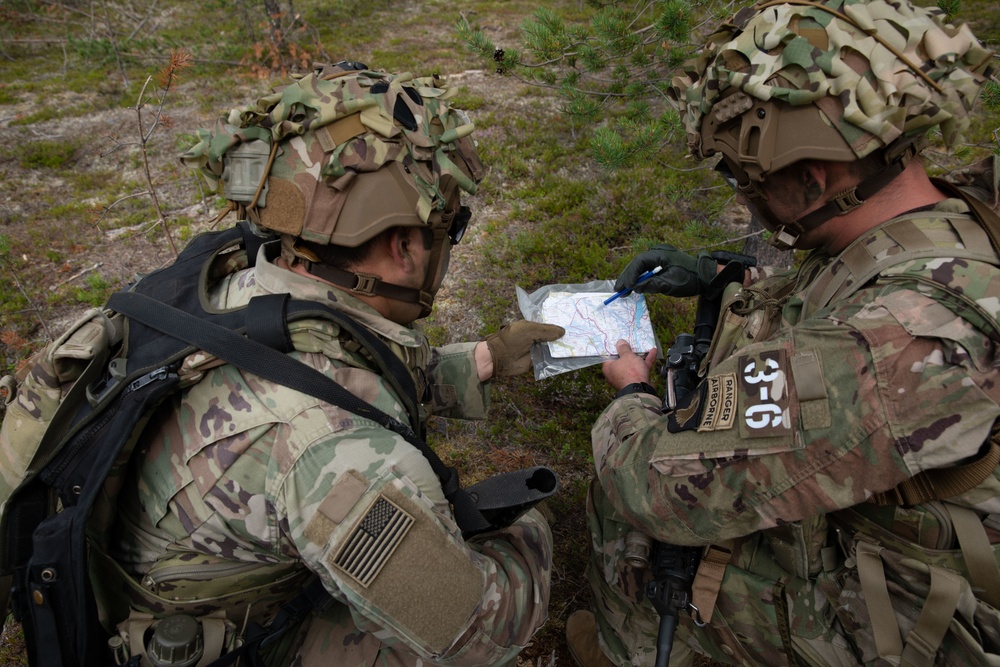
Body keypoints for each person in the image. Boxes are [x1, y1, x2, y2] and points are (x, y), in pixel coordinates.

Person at [565, 1, 1000, 666]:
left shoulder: (894, 344)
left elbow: (660, 486)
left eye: (749, 181)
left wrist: (631, 398)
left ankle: (625, 642)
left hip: (914, 614)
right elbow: (841, 280)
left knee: (624, 500)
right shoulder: (944, 218)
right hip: (914, 519)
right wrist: (721, 278)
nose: (748, 200)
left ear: (812, 176)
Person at [97, 62, 564, 666]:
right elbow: (477, 633)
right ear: (403, 247)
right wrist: (532, 536)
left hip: (163, 573)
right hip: (218, 635)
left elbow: (326, 366)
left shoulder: (240, 281)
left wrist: (480, 361)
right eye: (449, 230)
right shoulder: (338, 458)